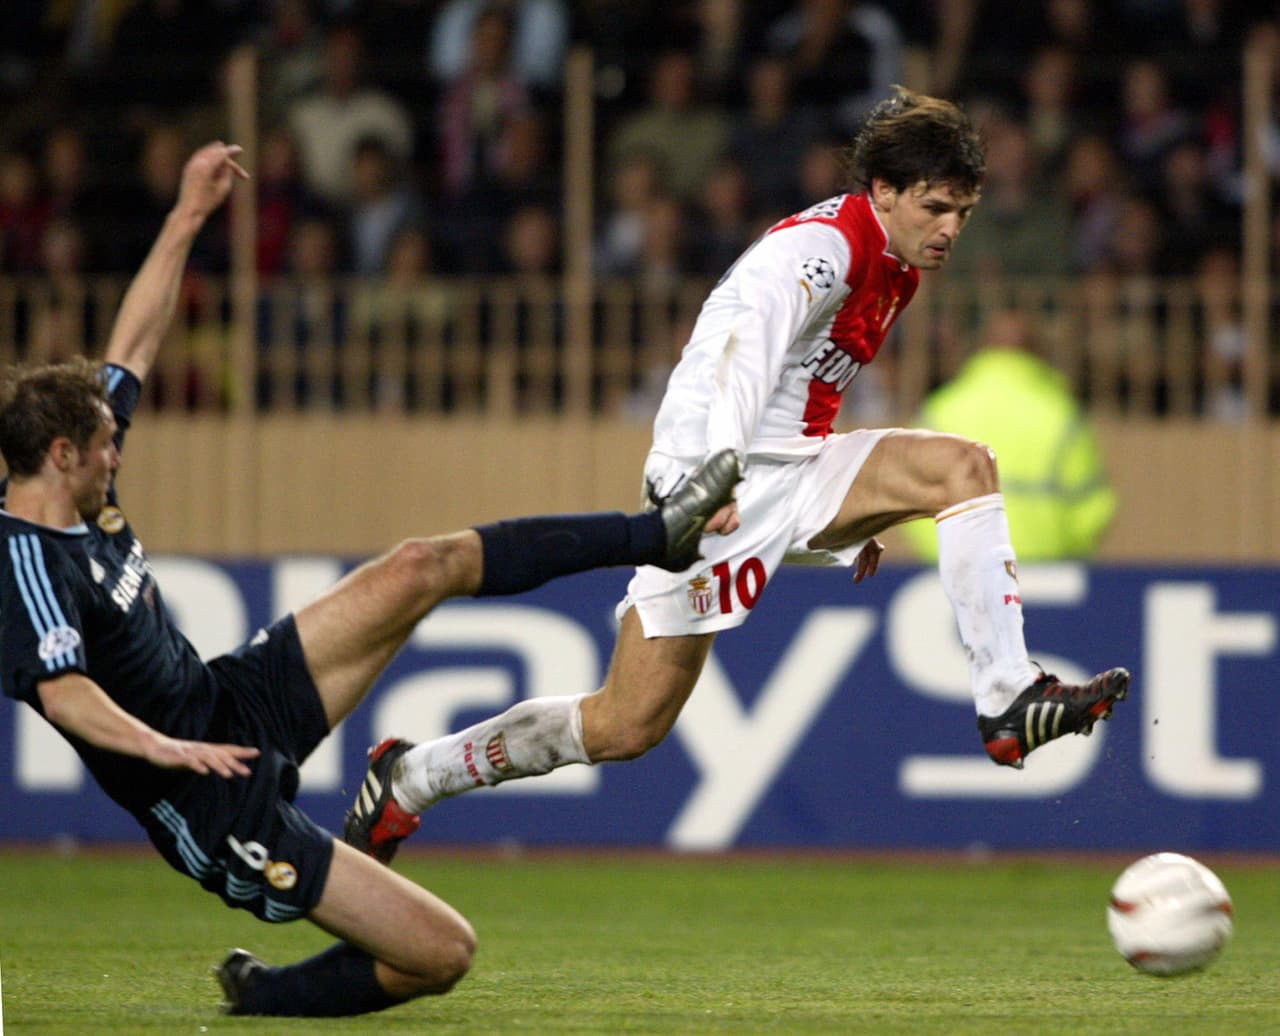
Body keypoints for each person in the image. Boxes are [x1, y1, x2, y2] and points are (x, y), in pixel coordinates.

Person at [0, 141, 740, 1017]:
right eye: (104, 443)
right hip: (207, 798)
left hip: (231, 697)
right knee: (443, 953)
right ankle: (265, 998)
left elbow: (133, 345)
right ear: (59, 455)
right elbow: (66, 692)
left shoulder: (83, 482)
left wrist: (188, 216)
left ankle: (657, 533)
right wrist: (168, 751)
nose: (118, 447)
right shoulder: (25, 562)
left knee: (423, 564)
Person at [345, 86, 1132, 866]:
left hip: (789, 464)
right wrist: (711, 479)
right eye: (935, 207)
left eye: (964, 211)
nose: (951, 228)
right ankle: (413, 776)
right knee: (628, 724)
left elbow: (803, 397)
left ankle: (1008, 698)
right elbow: (740, 357)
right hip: (716, 472)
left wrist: (849, 515)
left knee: (963, 468)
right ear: (883, 191)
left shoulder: (896, 260)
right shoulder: (819, 250)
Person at [899, 307, 1117, 561]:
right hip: (1045, 573)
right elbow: (1093, 510)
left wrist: (941, 556)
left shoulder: (939, 412)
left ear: (982, 348)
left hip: (957, 572)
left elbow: (908, 500)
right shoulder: (1062, 416)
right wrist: (1064, 557)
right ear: (1037, 352)